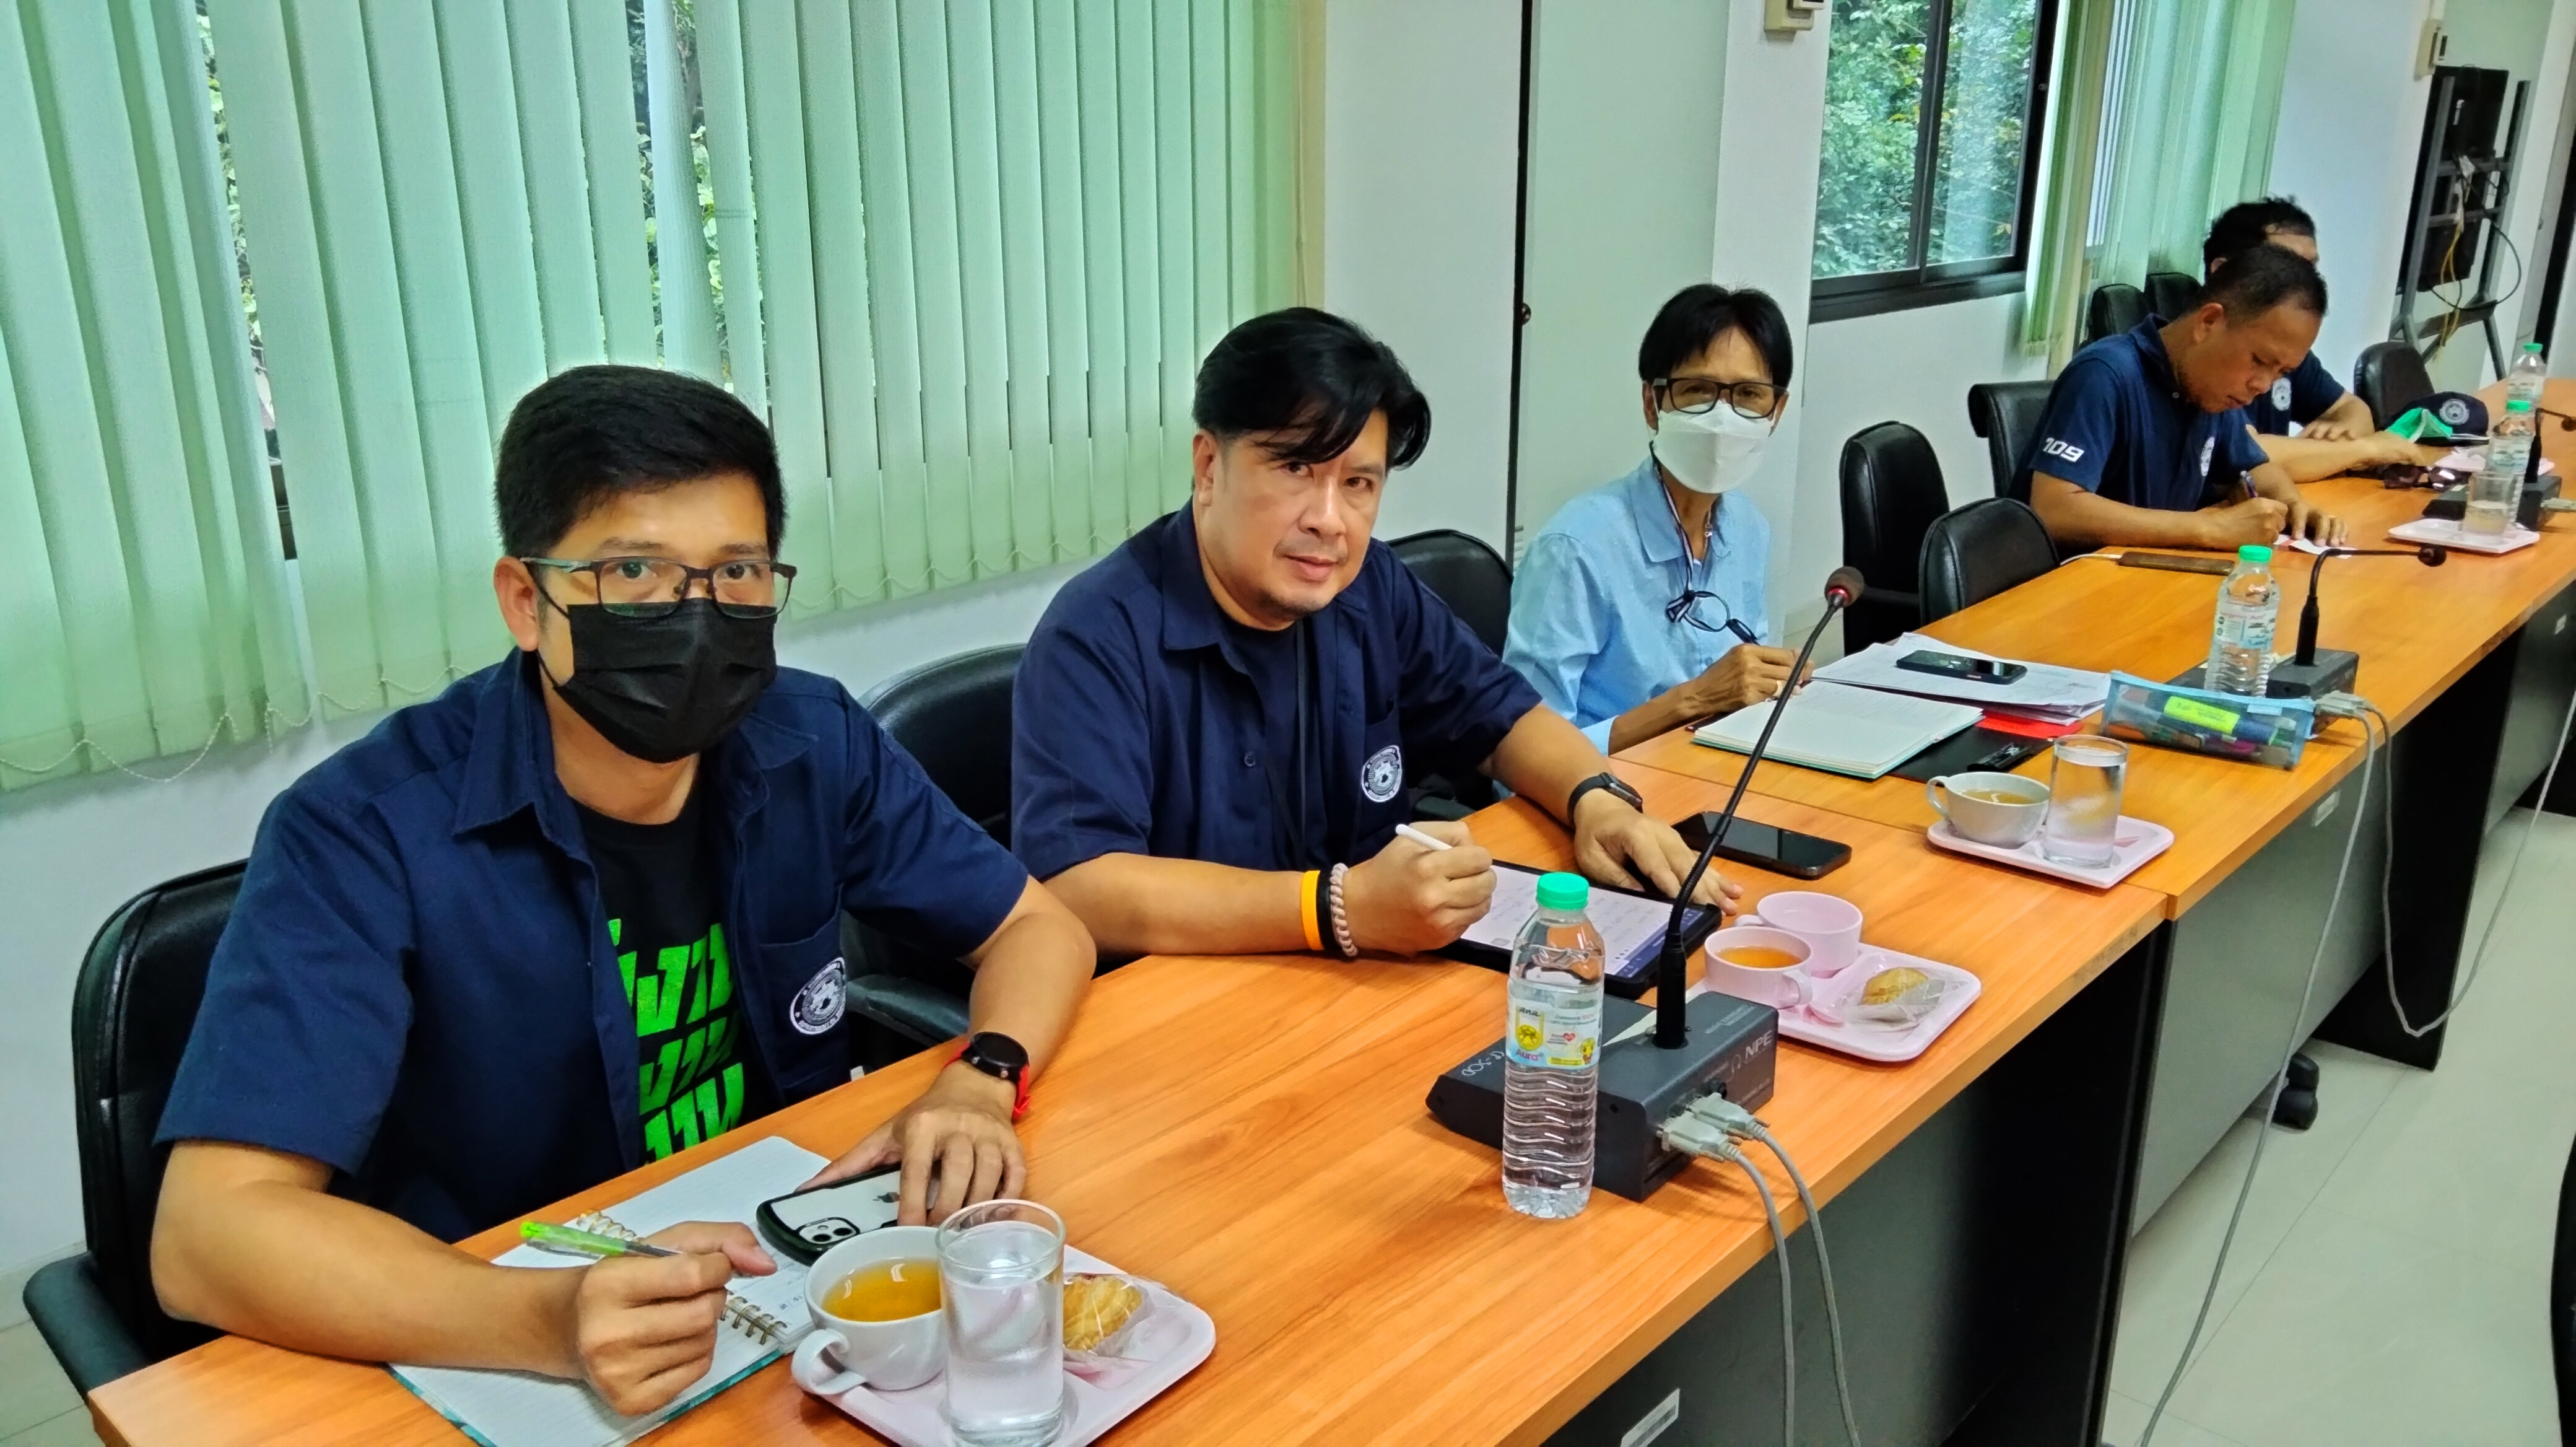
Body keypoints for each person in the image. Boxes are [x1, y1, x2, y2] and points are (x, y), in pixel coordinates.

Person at [150, 365, 1095, 1415]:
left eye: (736, 572)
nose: (693, 614)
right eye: (634, 570)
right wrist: (543, 1320)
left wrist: (982, 1074)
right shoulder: (364, 831)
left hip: (776, 1288)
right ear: (528, 600)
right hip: (495, 1326)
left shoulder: (812, 741)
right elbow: (207, 1236)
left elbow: (1036, 927)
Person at [1012, 307, 1738, 960]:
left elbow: (1499, 714)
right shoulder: (1096, 634)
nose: (1328, 519)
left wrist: (1596, 797)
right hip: (1192, 1003)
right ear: (1208, 467)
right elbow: (1078, 884)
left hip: (1366, 976)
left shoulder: (1366, 587)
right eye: (1295, 467)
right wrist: (1335, 908)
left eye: (1358, 483)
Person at [1505, 284, 1803, 754]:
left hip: (1713, 773)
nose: (1722, 418)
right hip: (1602, 789)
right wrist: (1691, 701)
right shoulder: (1576, 548)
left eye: (1749, 395)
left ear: (1776, 412)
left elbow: (1742, 694)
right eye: (1697, 390)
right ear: (1652, 403)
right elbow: (1523, 753)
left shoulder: (1748, 527)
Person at [2018, 245, 2352, 553]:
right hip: (2071, 585)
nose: (2264, 385)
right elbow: (2054, 509)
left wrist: (2291, 506)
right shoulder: (2106, 373)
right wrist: (2209, 529)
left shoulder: (2210, 391)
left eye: (2282, 372)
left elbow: (2255, 467)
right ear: (2208, 322)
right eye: (2259, 360)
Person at [2201, 197, 2442, 481]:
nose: (2306, 284)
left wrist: (2334, 441)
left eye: (2311, 269)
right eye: (2286, 269)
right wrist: (2363, 450)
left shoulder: (2283, 346)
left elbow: (2352, 410)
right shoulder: (2204, 346)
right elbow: (2241, 454)